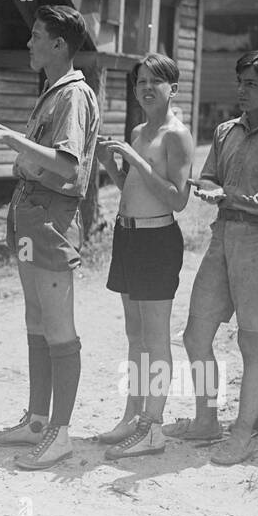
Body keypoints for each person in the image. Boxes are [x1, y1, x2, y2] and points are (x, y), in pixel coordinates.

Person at [0, 6, 99, 470]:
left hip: (52, 219)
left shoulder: (74, 96)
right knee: (36, 322)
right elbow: (39, 162)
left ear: (59, 44)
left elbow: (67, 165)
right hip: (31, 216)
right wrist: (18, 153)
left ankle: (61, 434)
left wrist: (8, 138)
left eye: (37, 36)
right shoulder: (52, 92)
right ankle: (38, 420)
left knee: (59, 328)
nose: (29, 43)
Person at [168, 50, 258, 466]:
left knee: (251, 342)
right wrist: (210, 188)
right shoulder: (225, 131)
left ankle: (242, 433)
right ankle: (206, 421)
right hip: (223, 239)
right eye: (240, 82)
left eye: (251, 84)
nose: (242, 91)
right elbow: (211, 174)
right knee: (196, 336)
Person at [95, 53, 194, 460]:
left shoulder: (177, 135)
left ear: (174, 88)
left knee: (155, 337)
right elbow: (132, 191)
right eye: (141, 82)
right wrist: (111, 167)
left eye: (157, 81)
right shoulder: (138, 129)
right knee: (134, 335)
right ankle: (132, 415)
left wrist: (135, 159)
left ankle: (154, 427)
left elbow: (179, 199)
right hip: (128, 237)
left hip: (157, 241)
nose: (147, 88)